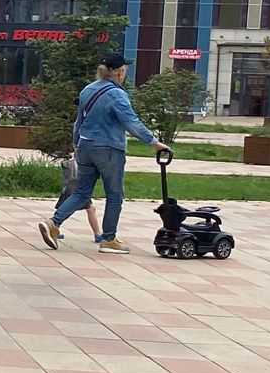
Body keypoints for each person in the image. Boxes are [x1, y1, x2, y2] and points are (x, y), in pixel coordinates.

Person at [39, 54, 171, 256]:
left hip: (85, 147)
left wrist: (76, 144)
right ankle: (108, 239)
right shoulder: (117, 95)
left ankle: (53, 223)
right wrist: (154, 143)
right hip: (109, 149)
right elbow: (131, 122)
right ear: (120, 72)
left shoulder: (88, 90)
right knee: (115, 194)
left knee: (82, 192)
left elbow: (78, 122)